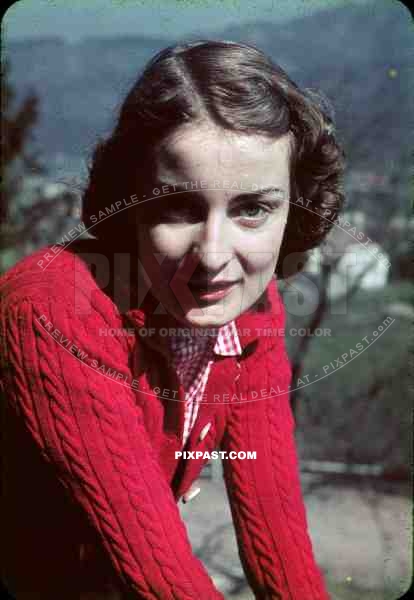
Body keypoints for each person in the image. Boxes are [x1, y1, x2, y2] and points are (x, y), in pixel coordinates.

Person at [0, 40, 345, 599]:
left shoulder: (252, 309)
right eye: (176, 207)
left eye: (252, 208)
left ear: (296, 208)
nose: (213, 255)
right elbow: (159, 573)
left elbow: (276, 526)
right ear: (130, 201)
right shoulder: (53, 309)